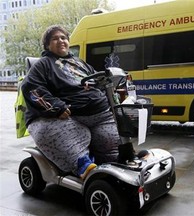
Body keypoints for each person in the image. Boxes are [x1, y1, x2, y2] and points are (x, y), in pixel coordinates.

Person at [21, 25, 135, 180]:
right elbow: (31, 87)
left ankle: (115, 161)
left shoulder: (80, 63)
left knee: (112, 138)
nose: (60, 40)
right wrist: (57, 107)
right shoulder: (44, 64)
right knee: (65, 135)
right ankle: (82, 164)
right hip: (70, 117)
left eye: (63, 38)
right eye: (55, 38)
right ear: (47, 45)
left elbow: (99, 80)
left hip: (100, 114)